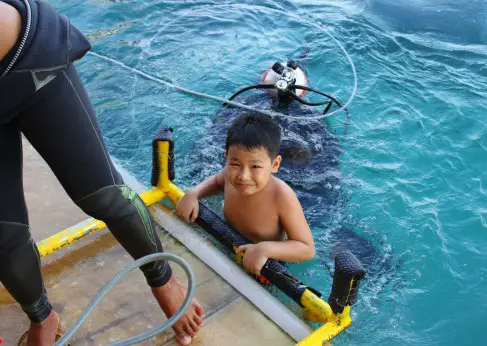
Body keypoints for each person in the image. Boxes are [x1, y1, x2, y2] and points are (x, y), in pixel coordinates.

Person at [0, 1, 203, 345]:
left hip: (28, 60)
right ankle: (43, 317)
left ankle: (163, 279)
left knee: (102, 194)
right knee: (3, 233)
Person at [176, 113, 315, 276]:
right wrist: (194, 193)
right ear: (226, 157)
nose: (243, 175)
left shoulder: (281, 196)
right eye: (235, 164)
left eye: (255, 167)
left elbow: (307, 248)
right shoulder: (229, 176)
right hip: (229, 240)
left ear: (275, 164)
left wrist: (265, 249)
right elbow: (215, 182)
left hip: (265, 262)